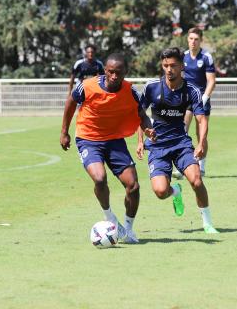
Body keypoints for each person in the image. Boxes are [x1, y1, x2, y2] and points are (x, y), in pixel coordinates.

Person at [60, 53, 155, 244]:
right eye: (110, 72)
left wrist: (148, 128)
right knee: (100, 178)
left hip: (114, 141)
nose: (113, 76)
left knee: (133, 186)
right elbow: (71, 101)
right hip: (88, 139)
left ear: (125, 73)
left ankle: (127, 229)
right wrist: (64, 131)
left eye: (118, 73)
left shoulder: (130, 90)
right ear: (105, 70)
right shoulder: (88, 86)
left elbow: (142, 115)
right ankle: (110, 217)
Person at [136, 47, 219, 234]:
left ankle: (207, 223)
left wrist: (201, 143)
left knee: (197, 181)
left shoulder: (192, 91)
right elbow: (139, 114)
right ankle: (175, 191)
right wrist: (141, 140)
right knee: (160, 191)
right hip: (157, 146)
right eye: (165, 65)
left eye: (173, 65)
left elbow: (201, 119)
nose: (168, 69)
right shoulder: (151, 87)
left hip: (181, 144)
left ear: (182, 66)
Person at [173, 27, 216, 179]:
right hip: (186, 99)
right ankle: (182, 167)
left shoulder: (206, 57)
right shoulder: (183, 56)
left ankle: (201, 167)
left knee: (201, 134)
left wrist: (205, 97)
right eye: (191, 38)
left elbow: (211, 81)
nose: (193, 42)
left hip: (201, 100)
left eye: (196, 39)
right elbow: (179, 77)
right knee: (182, 131)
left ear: (200, 40)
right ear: (187, 40)